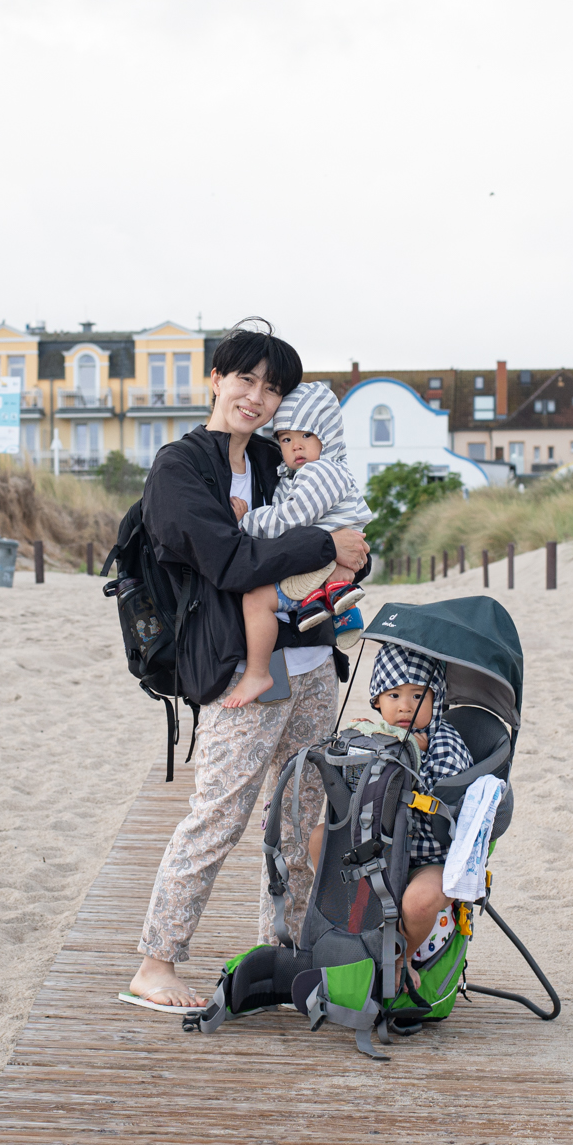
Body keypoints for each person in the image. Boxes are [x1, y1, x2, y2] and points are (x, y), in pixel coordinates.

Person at [124, 322, 371, 1012]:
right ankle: (156, 963)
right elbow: (230, 561)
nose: (256, 397)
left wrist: (349, 551)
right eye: (245, 379)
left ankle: (284, 956)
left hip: (313, 662)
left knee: (300, 821)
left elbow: (340, 534)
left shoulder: (274, 457)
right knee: (219, 817)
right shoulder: (179, 469)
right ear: (216, 379)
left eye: (271, 388)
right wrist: (325, 542)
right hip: (241, 668)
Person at [222, 381, 373, 709]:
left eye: (306, 434)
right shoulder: (305, 474)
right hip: (326, 559)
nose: (296, 446)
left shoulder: (321, 472)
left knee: (256, 601)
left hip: (320, 561)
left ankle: (258, 672)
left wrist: (245, 522)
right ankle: (336, 603)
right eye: (286, 439)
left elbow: (290, 518)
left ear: (327, 435)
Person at [339, 644, 471, 971]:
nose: (405, 706)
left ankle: (402, 957)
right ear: (377, 700)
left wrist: (415, 756)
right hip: (381, 847)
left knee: (418, 902)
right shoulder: (378, 736)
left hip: (431, 857)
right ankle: (345, 927)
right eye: (393, 695)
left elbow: (447, 806)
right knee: (319, 839)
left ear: (436, 698)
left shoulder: (446, 746)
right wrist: (358, 743)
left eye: (417, 696)